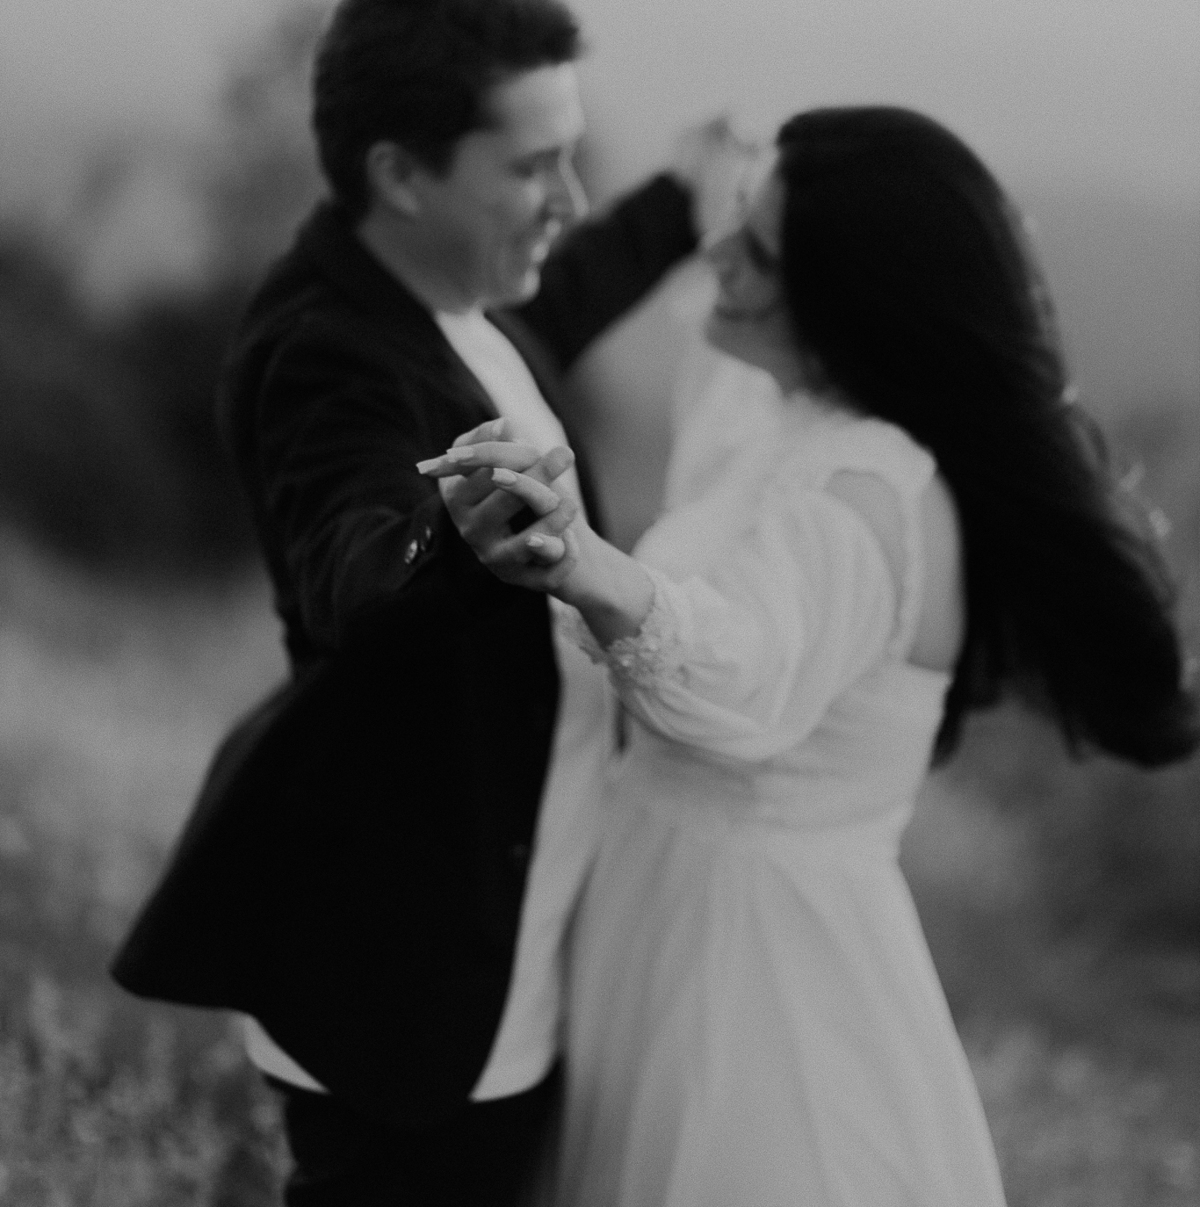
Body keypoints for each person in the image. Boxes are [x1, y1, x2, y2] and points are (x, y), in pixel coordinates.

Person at [431, 105, 1198, 1207]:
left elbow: (745, 674)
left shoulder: (868, 490)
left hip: (757, 981)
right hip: (657, 921)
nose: (718, 255)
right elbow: (725, 367)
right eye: (737, 220)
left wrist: (584, 561)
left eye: (755, 248)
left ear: (844, 303)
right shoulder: (781, 405)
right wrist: (712, 175)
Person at [112, 0, 743, 1205]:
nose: (568, 196)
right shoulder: (322, 354)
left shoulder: (462, 293)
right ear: (401, 172)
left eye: (571, 157)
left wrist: (685, 199)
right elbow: (354, 570)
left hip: (515, 947)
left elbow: (571, 281)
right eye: (532, 166)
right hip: (406, 980)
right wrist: (461, 544)